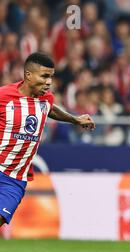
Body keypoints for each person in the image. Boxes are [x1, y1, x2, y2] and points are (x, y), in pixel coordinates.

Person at [0, 52, 95, 228]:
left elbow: (51, 109)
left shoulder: (46, 99)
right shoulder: (4, 96)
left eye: (51, 77)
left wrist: (75, 119)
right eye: (44, 76)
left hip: (14, 179)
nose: (49, 82)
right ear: (28, 75)